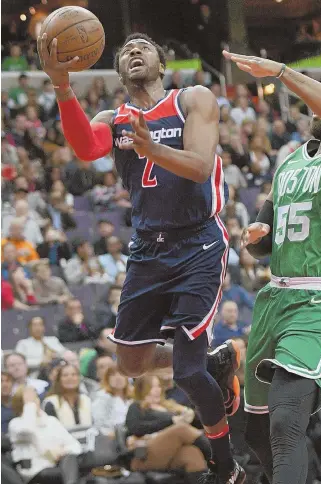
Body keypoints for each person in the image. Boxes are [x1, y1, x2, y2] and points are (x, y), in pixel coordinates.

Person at [38, 31, 244, 483]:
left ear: (161, 62)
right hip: (148, 248)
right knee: (129, 365)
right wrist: (61, 85)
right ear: (117, 70)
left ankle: (227, 466)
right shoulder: (114, 119)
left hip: (198, 243)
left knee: (187, 372)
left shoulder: (193, 98)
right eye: (126, 50)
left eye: (144, 46)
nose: (134, 51)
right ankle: (216, 362)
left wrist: (151, 148)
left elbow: (199, 165)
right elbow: (84, 148)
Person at [222, 49, 321, 484]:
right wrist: (256, 236)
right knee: (255, 428)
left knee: (286, 420)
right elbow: (269, 232)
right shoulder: (291, 161)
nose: (320, 101)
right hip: (275, 295)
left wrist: (282, 72)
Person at [126, 376, 210, 483]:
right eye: (151, 387)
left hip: (170, 451)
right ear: (142, 389)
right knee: (181, 429)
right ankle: (219, 454)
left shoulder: (169, 405)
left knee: (192, 454)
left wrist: (191, 415)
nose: (157, 390)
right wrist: (172, 421)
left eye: (158, 386)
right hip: (143, 454)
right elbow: (134, 428)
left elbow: (199, 423)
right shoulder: (136, 406)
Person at [9, 386, 81, 484]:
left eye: (35, 397)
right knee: (66, 472)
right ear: (22, 404)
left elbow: (76, 445)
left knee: (71, 459)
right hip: (35, 471)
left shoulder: (51, 421)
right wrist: (30, 406)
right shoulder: (15, 424)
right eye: (29, 399)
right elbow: (28, 429)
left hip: (59, 465)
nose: (35, 401)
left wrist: (62, 451)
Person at [43, 364, 93, 429]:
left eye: (74, 374)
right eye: (65, 375)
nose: (70, 378)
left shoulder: (87, 400)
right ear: (59, 379)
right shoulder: (51, 403)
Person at [92, 364, 133, 433]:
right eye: (113, 375)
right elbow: (99, 423)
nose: (118, 378)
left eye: (121, 374)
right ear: (107, 379)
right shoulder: (102, 397)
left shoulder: (132, 397)